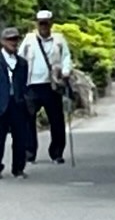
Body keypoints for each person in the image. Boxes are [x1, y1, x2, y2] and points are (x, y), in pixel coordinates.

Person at [20, 10, 71, 165]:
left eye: (46, 23)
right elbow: (20, 58)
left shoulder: (59, 39)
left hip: (52, 84)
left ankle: (57, 153)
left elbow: (66, 57)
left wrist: (66, 71)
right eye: (40, 23)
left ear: (51, 24)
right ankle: (29, 153)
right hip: (32, 85)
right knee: (28, 120)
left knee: (56, 120)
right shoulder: (29, 39)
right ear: (37, 24)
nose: (43, 26)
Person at [0, 27, 30, 179]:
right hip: (1, 103)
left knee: (20, 138)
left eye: (16, 39)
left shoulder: (22, 63)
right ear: (2, 41)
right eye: (10, 39)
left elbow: (24, 83)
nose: (13, 42)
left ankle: (18, 168)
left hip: (17, 103)